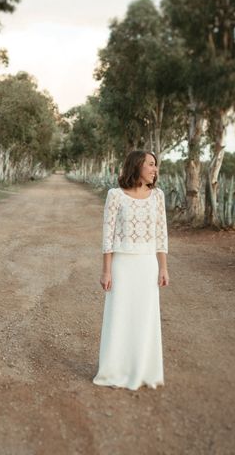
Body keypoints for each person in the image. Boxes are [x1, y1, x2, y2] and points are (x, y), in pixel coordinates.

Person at [93, 150, 169, 390]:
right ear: (137, 166)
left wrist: (163, 268)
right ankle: (114, 370)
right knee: (120, 316)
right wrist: (107, 271)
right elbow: (108, 235)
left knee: (145, 318)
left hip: (147, 264)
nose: (154, 170)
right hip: (122, 265)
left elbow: (161, 234)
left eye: (155, 166)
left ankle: (144, 369)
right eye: (150, 165)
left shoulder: (158, 196)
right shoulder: (115, 196)